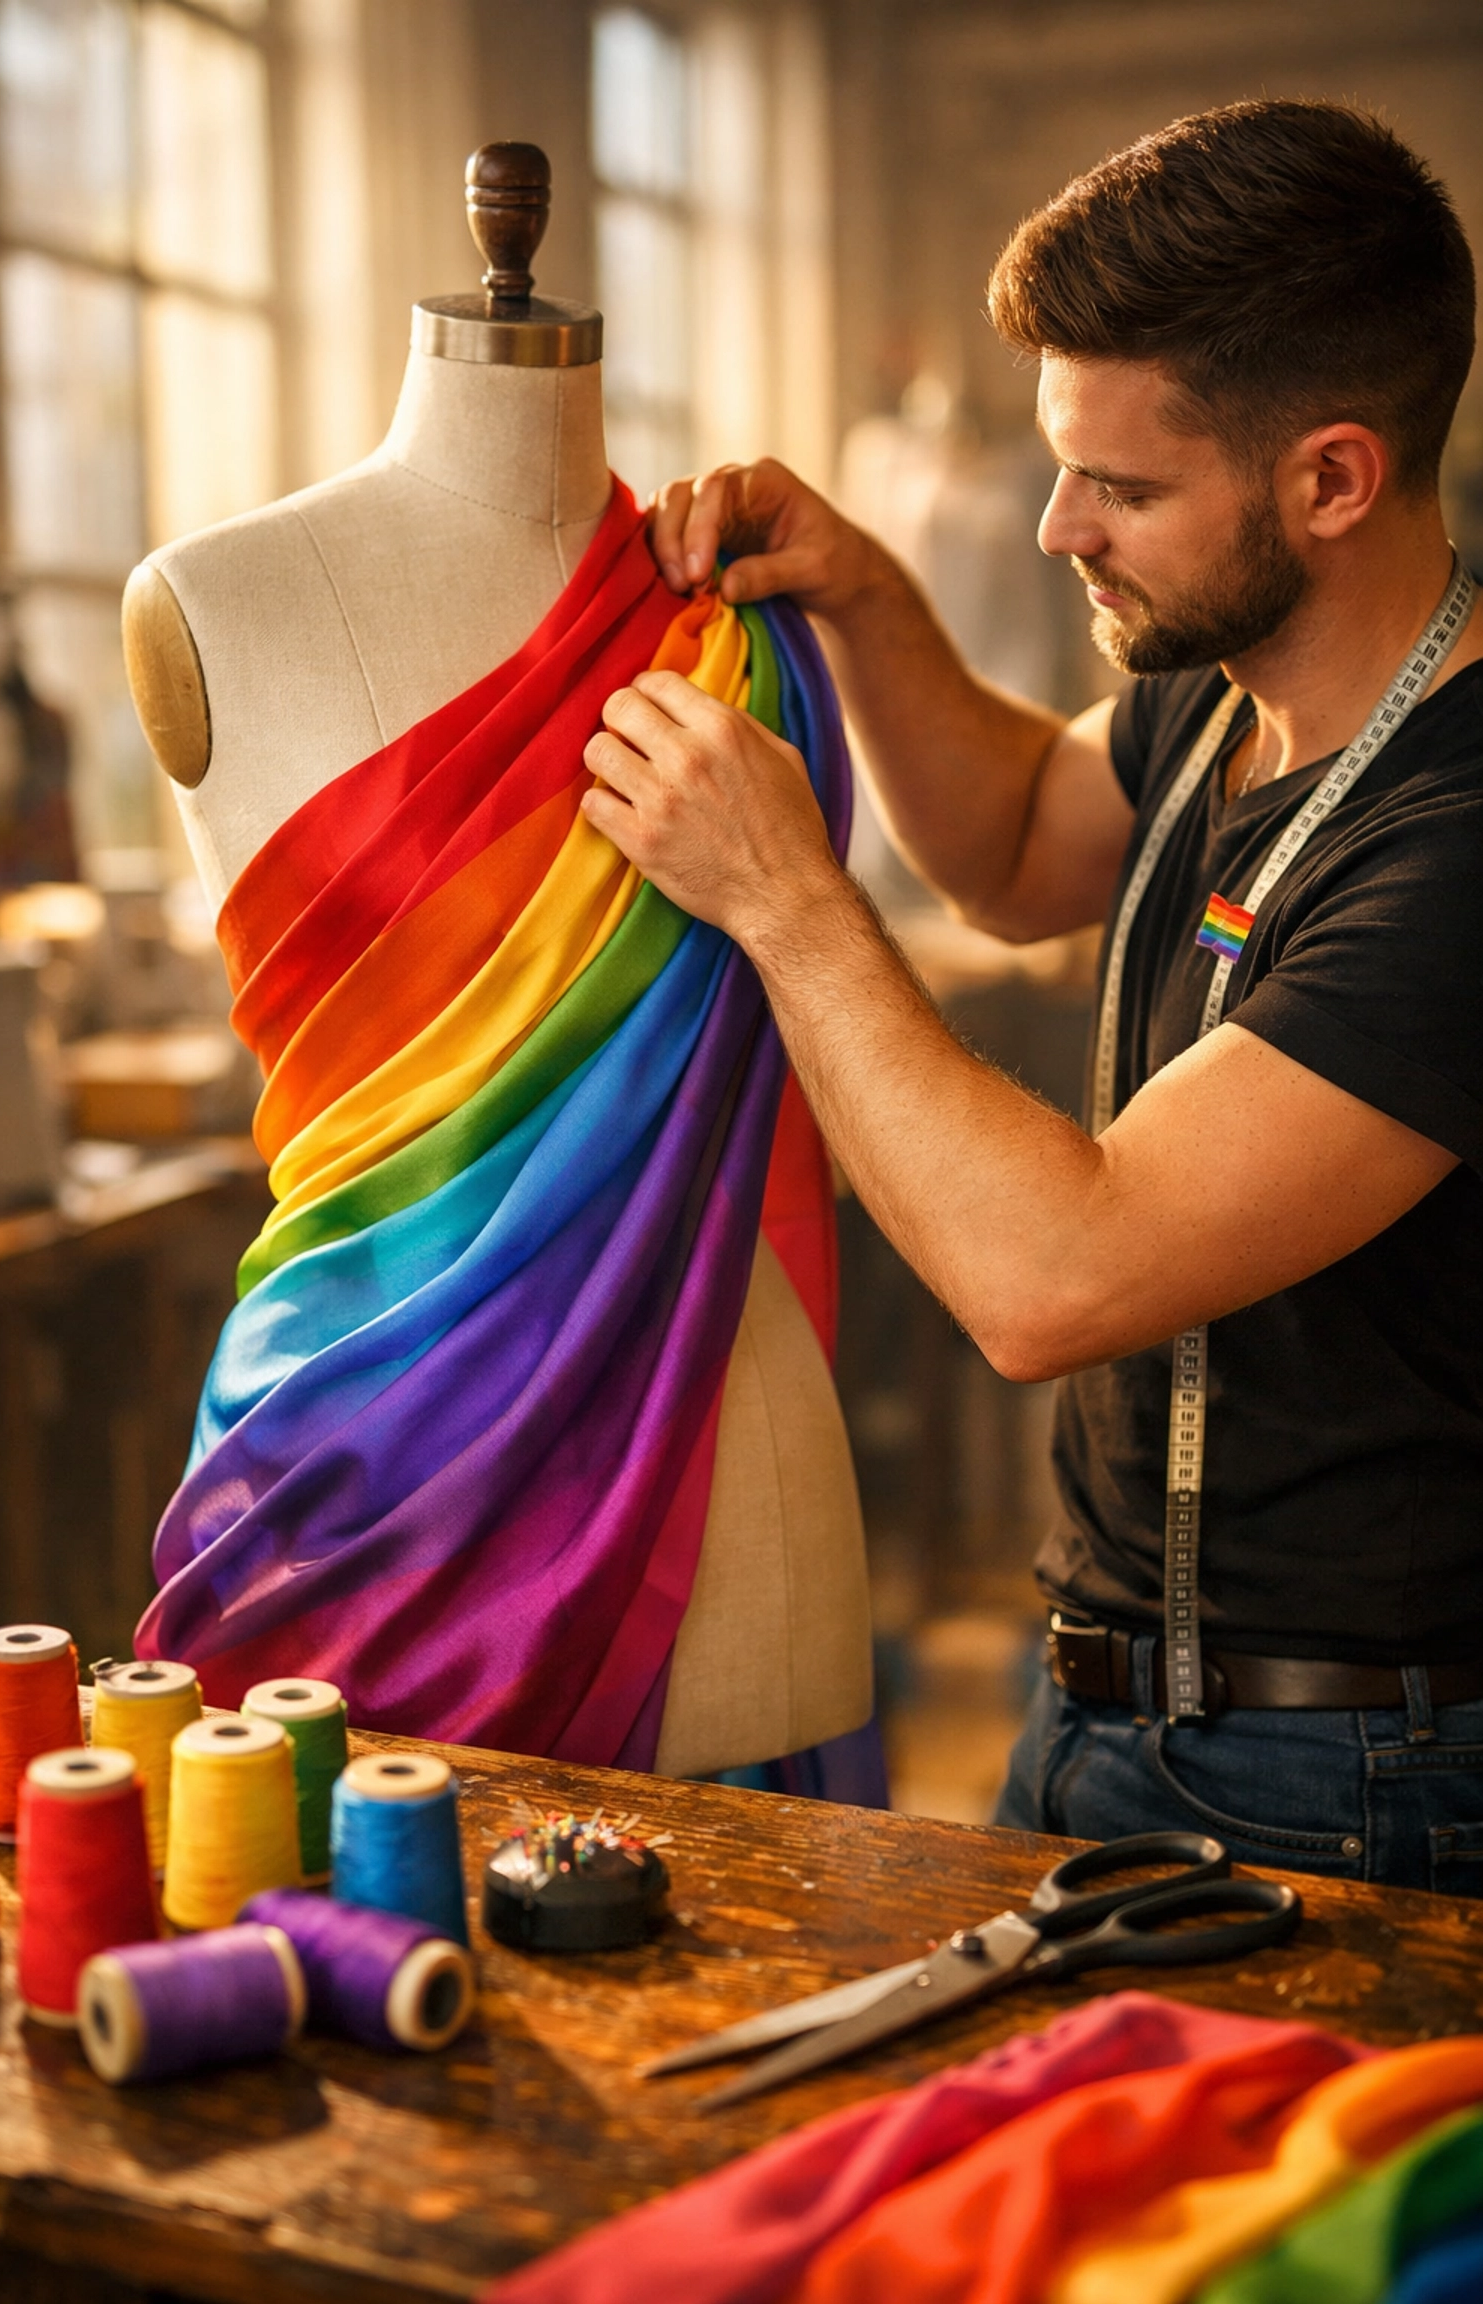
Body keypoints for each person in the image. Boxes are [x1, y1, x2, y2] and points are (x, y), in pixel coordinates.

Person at [578, 99, 1483, 1893]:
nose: (1060, 524)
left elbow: (1052, 1275)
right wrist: (861, 594)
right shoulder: (1227, 687)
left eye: (1124, 489)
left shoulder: (1456, 844)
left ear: (1332, 479)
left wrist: (782, 895)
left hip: (1353, 1770)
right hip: (1094, 1707)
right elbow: (1008, 841)